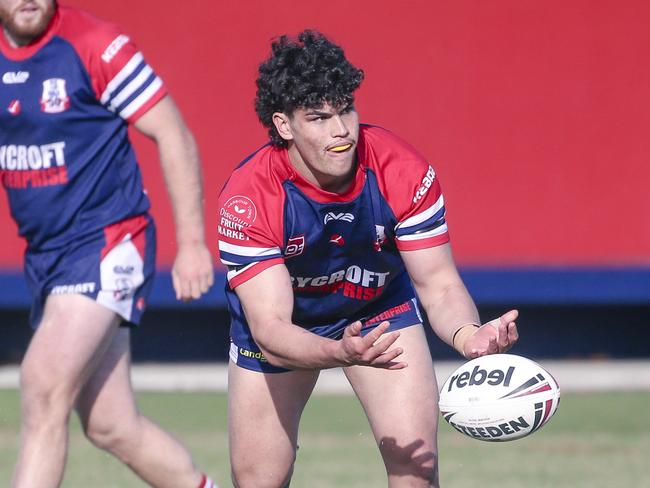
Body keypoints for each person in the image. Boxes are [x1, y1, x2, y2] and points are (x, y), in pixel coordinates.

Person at [217, 29, 520, 488]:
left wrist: (468, 336)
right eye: (318, 118)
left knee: (415, 471)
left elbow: (438, 285)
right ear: (284, 126)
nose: (340, 132)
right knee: (259, 479)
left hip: (377, 309)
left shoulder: (402, 169)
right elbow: (271, 327)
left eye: (346, 111)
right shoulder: (250, 196)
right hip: (288, 328)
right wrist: (337, 352)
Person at [0, 1, 217, 487]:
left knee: (42, 386)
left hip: (108, 241)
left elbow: (173, 133)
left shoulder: (94, 44)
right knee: (111, 425)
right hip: (48, 257)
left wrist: (192, 244)